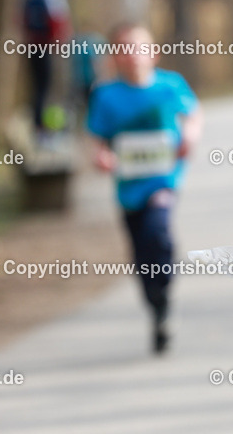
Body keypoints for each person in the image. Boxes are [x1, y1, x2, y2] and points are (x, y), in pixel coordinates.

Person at [86, 24, 202, 354]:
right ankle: (157, 306)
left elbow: (193, 114)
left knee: (159, 231)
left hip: (164, 179)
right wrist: (102, 157)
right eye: (123, 49)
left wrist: (190, 134)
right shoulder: (106, 95)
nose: (132, 55)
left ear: (153, 53)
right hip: (128, 187)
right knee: (141, 255)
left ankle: (163, 292)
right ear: (114, 57)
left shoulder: (170, 86)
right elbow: (97, 141)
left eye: (138, 47)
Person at [22, 0, 71, 143]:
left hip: (31, 45)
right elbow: (58, 20)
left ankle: (38, 126)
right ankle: (46, 128)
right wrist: (59, 41)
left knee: (38, 86)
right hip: (48, 47)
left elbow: (20, 20)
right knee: (48, 87)